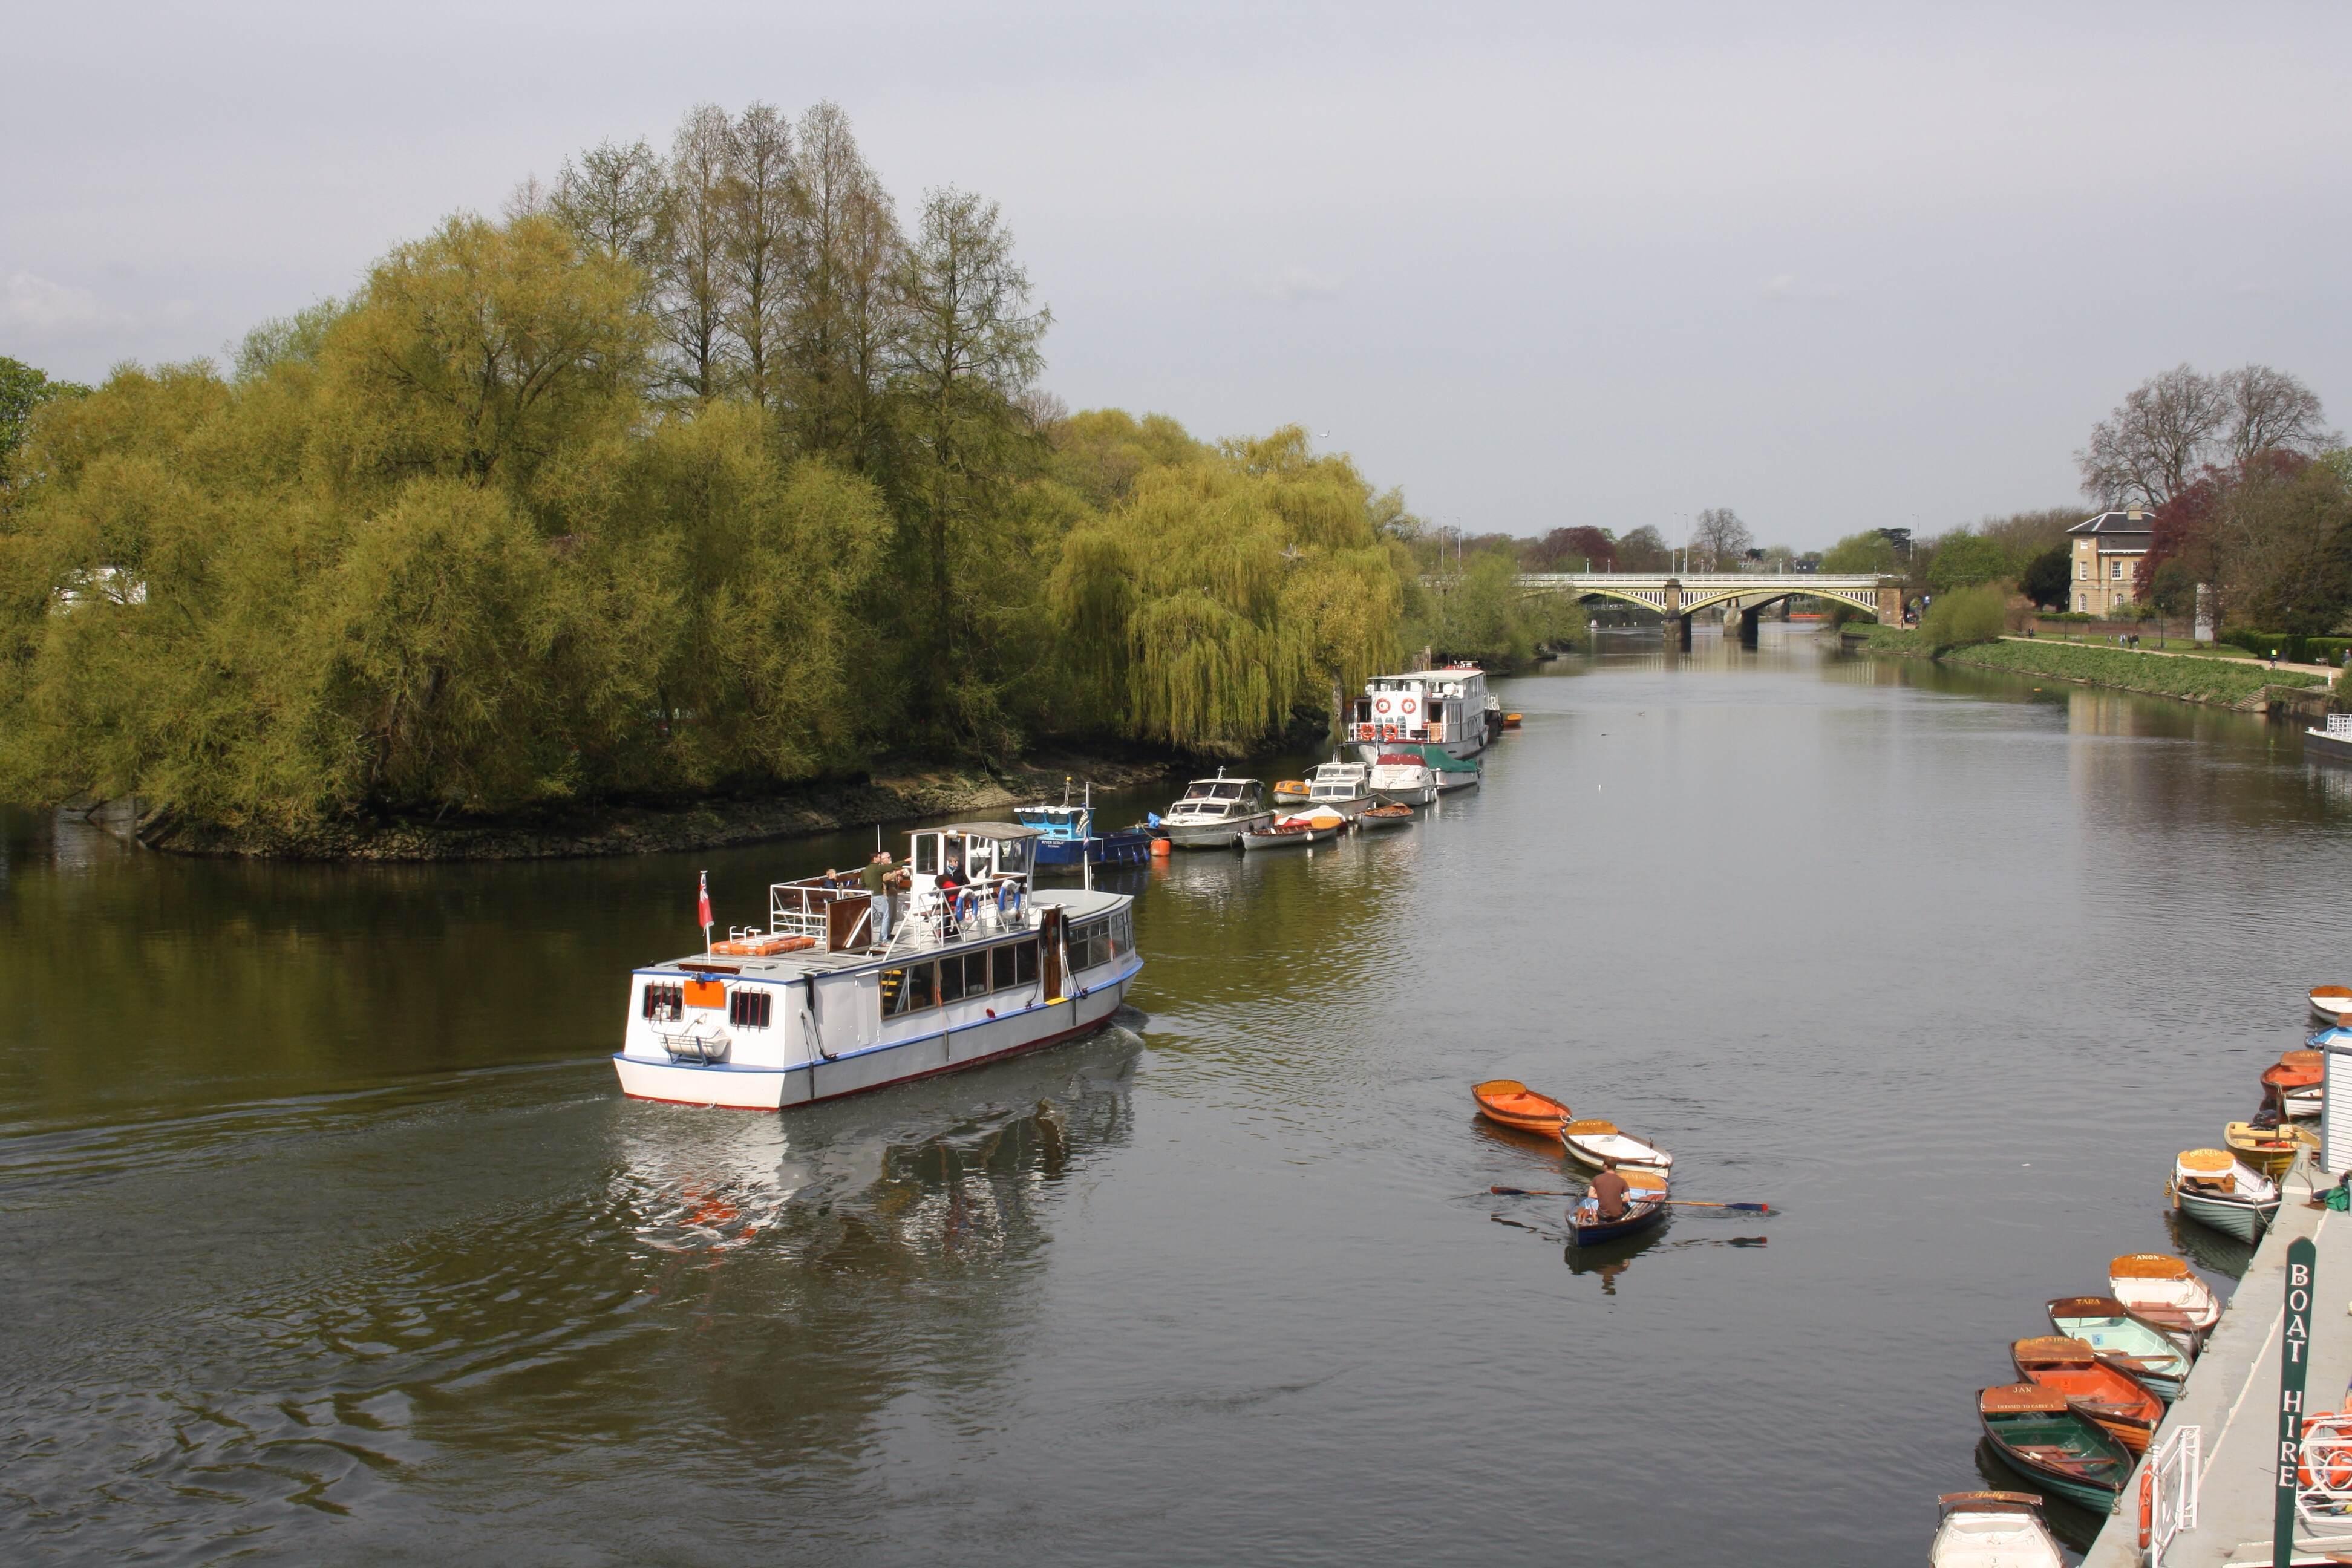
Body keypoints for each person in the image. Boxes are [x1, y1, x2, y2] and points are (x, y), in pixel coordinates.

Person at [1581, 1157, 1632, 1224]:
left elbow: (1591, 1195)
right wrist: (1617, 1199)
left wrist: (1603, 1197)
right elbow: (1627, 1199)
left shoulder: (1597, 1179)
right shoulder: (1622, 1181)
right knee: (1627, 1206)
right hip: (1617, 1217)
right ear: (1615, 1167)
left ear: (1605, 1166)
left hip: (1602, 1216)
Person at [861, 851, 895, 943]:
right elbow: (885, 877)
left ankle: (864, 938)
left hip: (869, 896)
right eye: (879, 857)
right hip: (878, 896)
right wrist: (899, 871)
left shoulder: (866, 869)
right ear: (875, 858)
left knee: (871, 918)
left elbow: (862, 883)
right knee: (886, 916)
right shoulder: (878, 868)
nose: (880, 858)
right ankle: (883, 939)